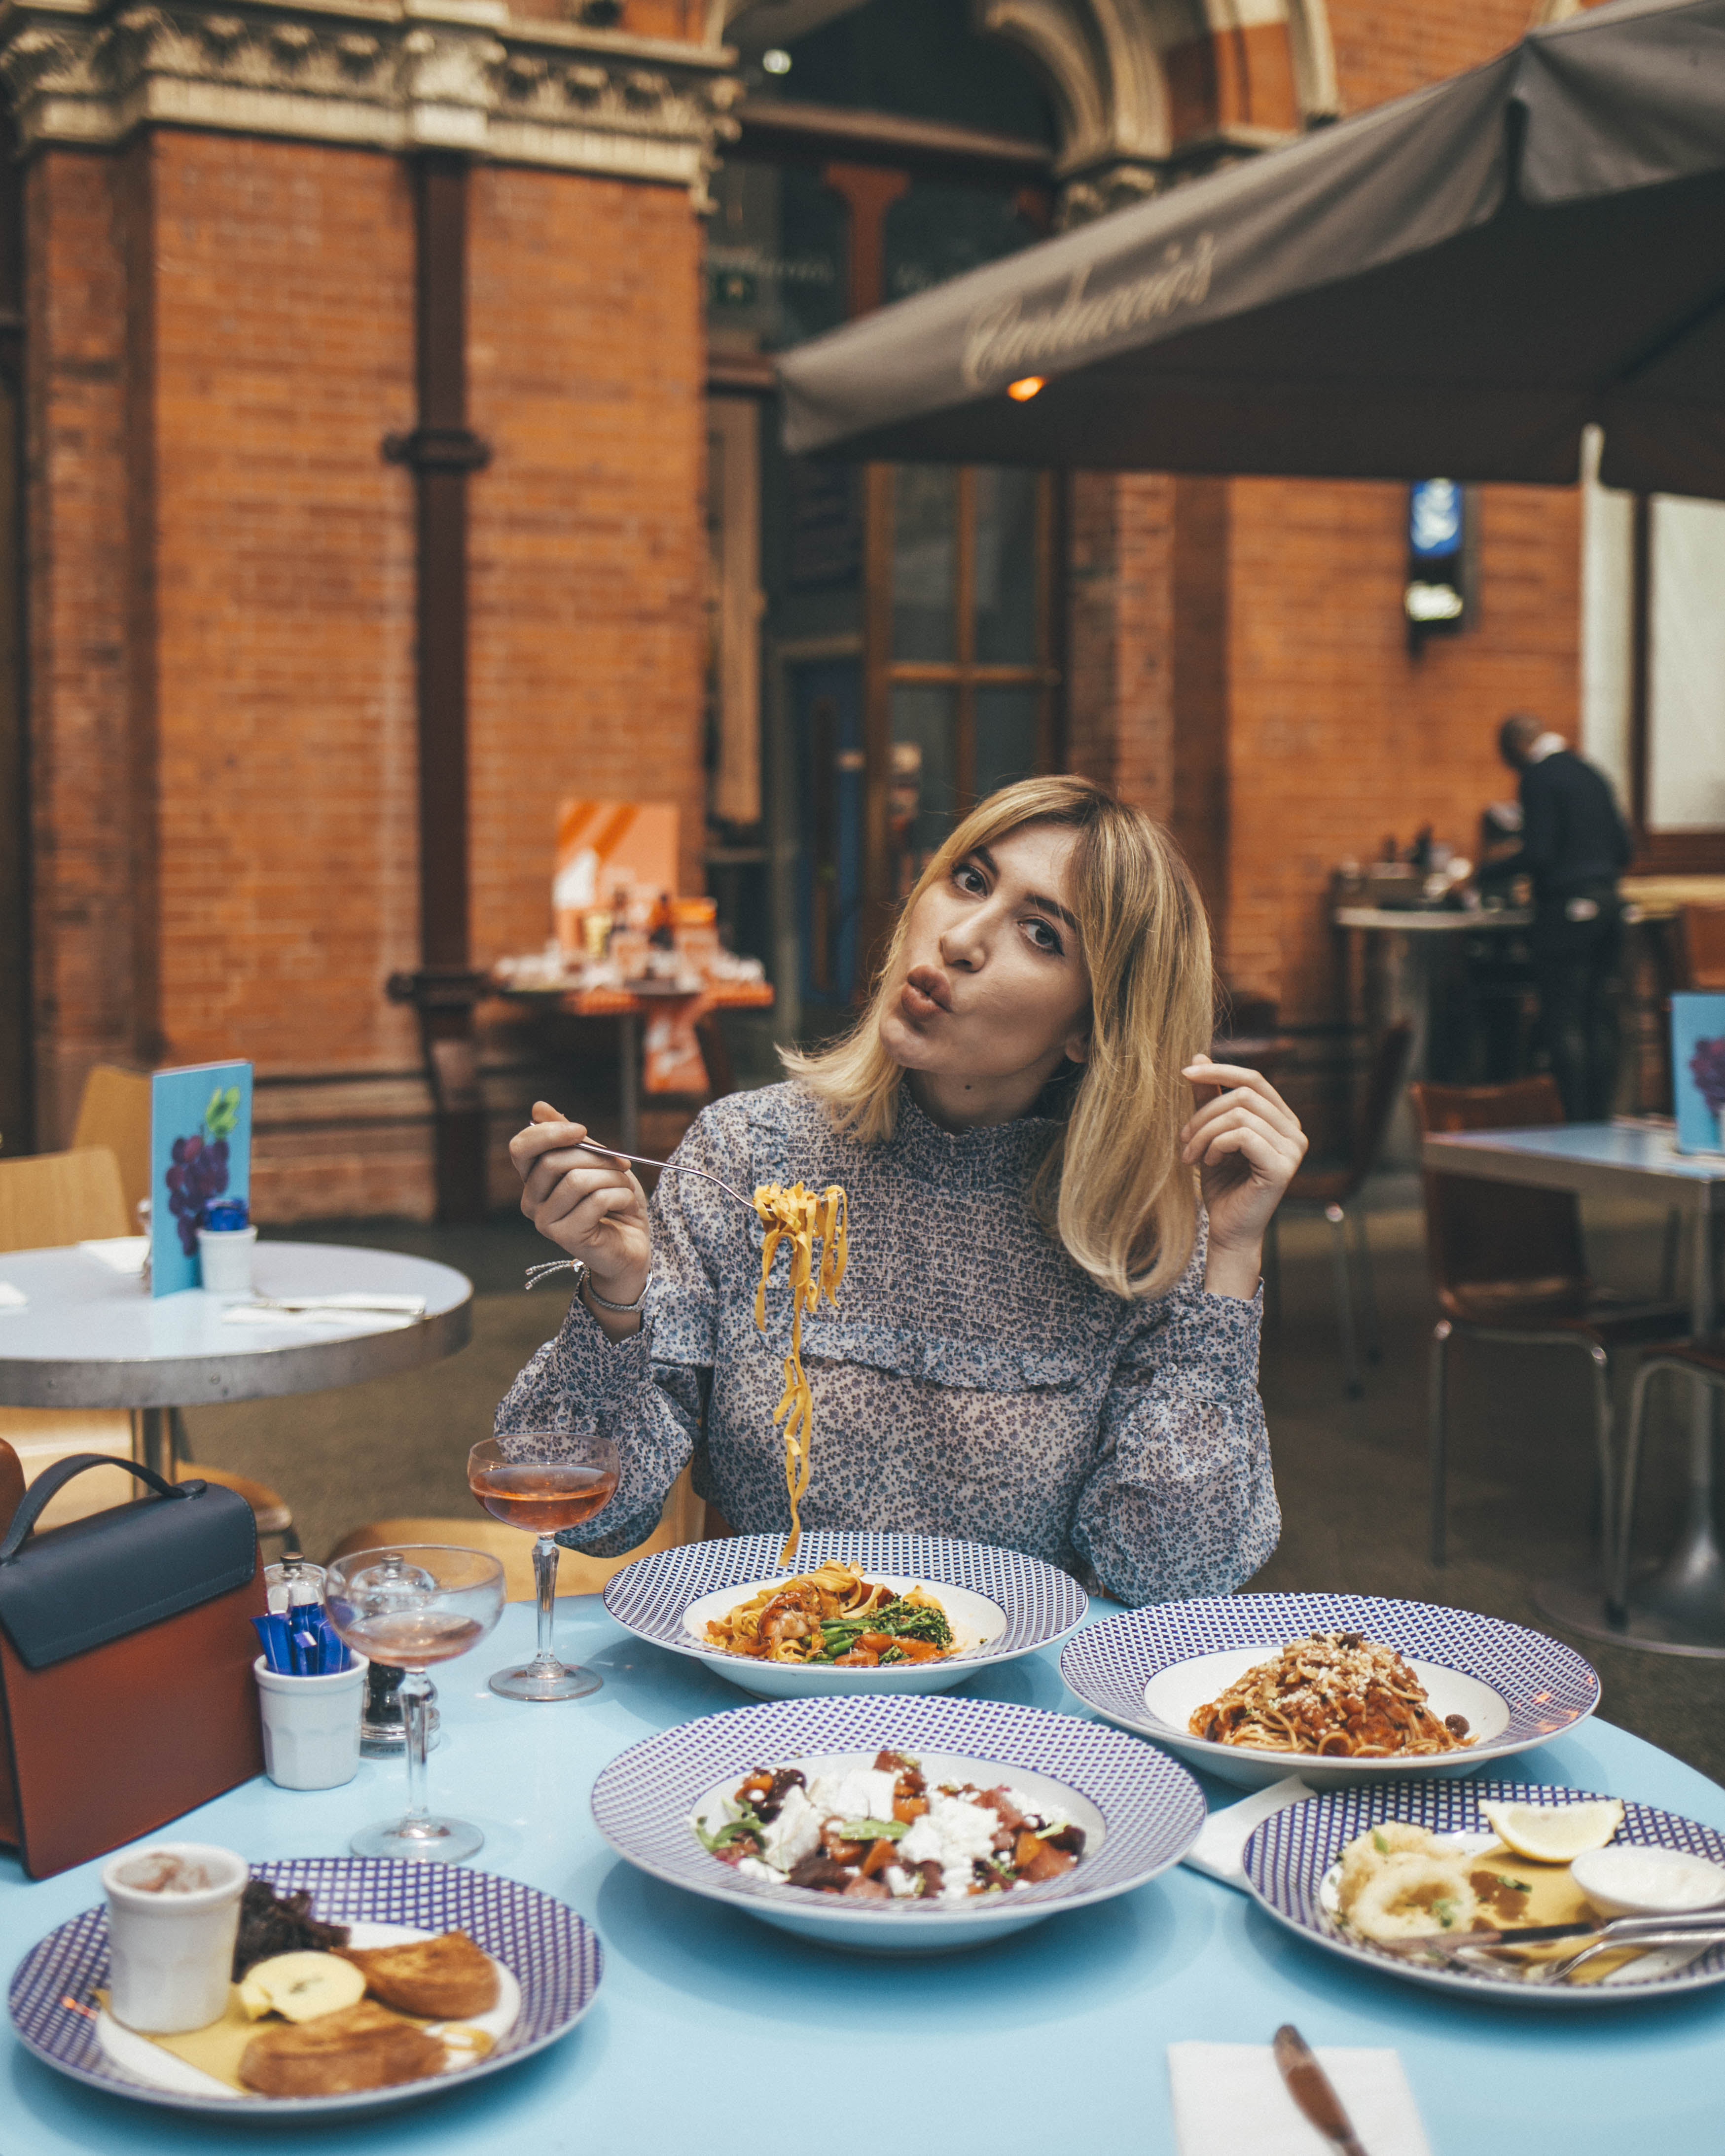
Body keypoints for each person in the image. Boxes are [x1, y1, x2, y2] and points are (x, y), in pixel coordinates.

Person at [498, 775, 1306, 1607]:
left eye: (1040, 934)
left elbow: (1170, 1575)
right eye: (969, 880)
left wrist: (1231, 1257)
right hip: (764, 1664)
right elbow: (587, 1515)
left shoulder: (1133, 1233)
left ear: (1089, 1025)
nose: (961, 938)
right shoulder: (747, 1156)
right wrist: (615, 1296)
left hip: (1011, 1685)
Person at [1489, 713, 1632, 1120]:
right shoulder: (1591, 772)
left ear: (1517, 747)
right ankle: (1602, 1120)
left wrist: (1488, 872)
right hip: (1610, 907)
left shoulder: (1539, 778)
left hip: (1567, 913)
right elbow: (1624, 849)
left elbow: (1539, 853)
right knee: (1599, 1016)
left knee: (1563, 1018)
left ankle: (1574, 1121)